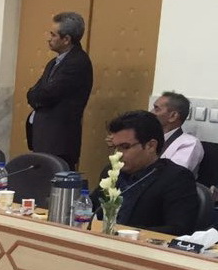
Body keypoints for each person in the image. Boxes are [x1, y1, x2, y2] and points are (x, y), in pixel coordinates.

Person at [93, 110, 199, 236]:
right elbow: (92, 209)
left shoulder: (177, 178)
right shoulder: (111, 172)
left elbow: (179, 229)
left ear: (151, 146)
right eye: (115, 147)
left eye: (125, 147)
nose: (118, 154)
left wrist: (127, 234)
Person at [25, 12, 94, 169]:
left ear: (66, 39)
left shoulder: (77, 63)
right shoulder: (53, 63)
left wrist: (36, 95)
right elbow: (34, 92)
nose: (48, 38)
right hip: (44, 138)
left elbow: (47, 95)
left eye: (53, 34)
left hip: (59, 141)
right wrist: (35, 95)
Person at [151, 91, 203, 176]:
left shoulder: (189, 143)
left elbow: (172, 176)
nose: (151, 112)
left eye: (156, 109)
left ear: (173, 116)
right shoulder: (148, 138)